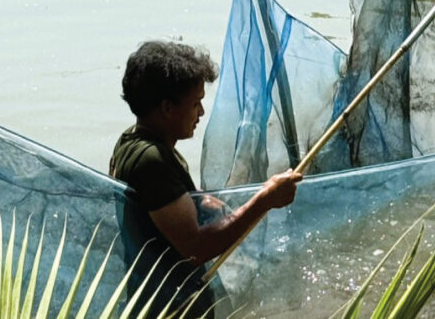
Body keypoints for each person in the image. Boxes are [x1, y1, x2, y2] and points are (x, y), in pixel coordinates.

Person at [109, 40, 302, 317]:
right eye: (195, 103)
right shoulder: (151, 161)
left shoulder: (132, 140)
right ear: (167, 108)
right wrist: (265, 200)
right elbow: (195, 249)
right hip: (171, 307)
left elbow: (165, 205)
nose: (200, 113)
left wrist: (203, 203)